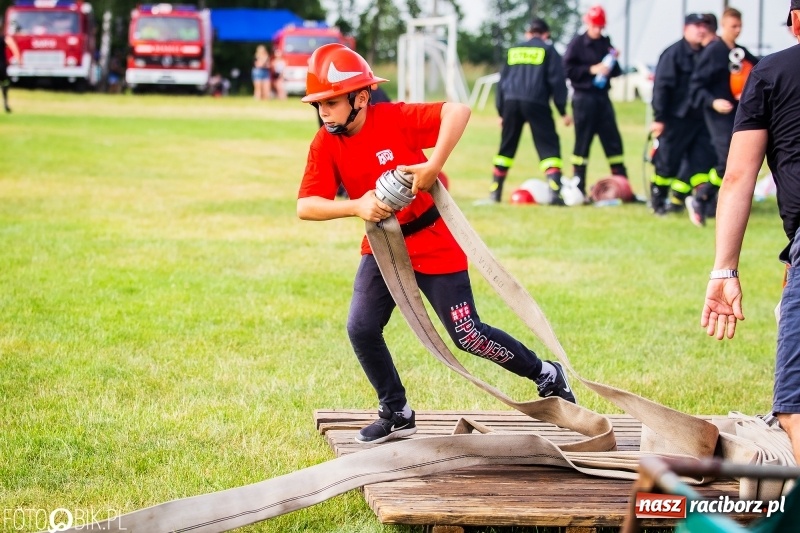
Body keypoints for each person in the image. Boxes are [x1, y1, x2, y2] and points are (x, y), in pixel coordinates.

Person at [297, 43, 577, 445]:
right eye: (318, 104)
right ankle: (396, 411)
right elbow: (305, 205)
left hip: (434, 240)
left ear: (361, 97)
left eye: (331, 102)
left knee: (468, 335)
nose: (324, 112)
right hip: (384, 247)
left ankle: (546, 374)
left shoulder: (393, 118)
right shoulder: (325, 142)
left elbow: (458, 111)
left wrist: (433, 164)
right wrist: (356, 205)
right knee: (361, 327)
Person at [701, 0, 800, 465]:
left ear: (795, 21)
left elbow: (739, 177)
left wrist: (724, 269)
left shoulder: (772, 72)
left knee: (797, 409)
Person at [481, 17, 571, 205]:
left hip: (511, 103)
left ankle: (495, 193)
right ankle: (555, 194)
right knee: (548, 146)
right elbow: (557, 82)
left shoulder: (513, 50)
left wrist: (501, 112)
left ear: (528, 33)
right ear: (546, 34)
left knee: (506, 148)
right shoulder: (548, 49)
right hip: (537, 102)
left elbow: (502, 82)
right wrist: (563, 110)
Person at [689, 8, 759, 227]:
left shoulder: (740, 52)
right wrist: (713, 102)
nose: (737, 31)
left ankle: (710, 204)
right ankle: (700, 198)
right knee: (726, 160)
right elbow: (696, 86)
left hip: (737, 114)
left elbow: (759, 70)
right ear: (723, 26)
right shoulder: (713, 51)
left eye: (739, 26)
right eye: (733, 26)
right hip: (717, 115)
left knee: (734, 161)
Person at [648, 14, 712, 217]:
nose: (701, 30)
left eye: (704, 26)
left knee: (699, 163)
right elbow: (661, 89)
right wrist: (659, 118)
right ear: (686, 28)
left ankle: (679, 200)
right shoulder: (673, 53)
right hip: (675, 119)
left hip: (701, 118)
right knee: (667, 162)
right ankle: (658, 202)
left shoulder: (709, 53)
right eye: (696, 26)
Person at [563, 4, 629, 199]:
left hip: (602, 99)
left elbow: (616, 72)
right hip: (583, 99)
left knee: (613, 141)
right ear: (588, 24)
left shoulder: (605, 43)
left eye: (601, 27)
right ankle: (578, 184)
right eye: (595, 26)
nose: (598, 30)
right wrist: (591, 70)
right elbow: (567, 70)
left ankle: (622, 185)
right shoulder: (577, 43)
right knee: (582, 143)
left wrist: (613, 62)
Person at [1, 22, 21, 113]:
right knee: (5, 85)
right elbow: (13, 47)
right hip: (2, 67)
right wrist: (18, 59)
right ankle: (6, 104)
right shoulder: (5, 38)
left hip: (2, 66)